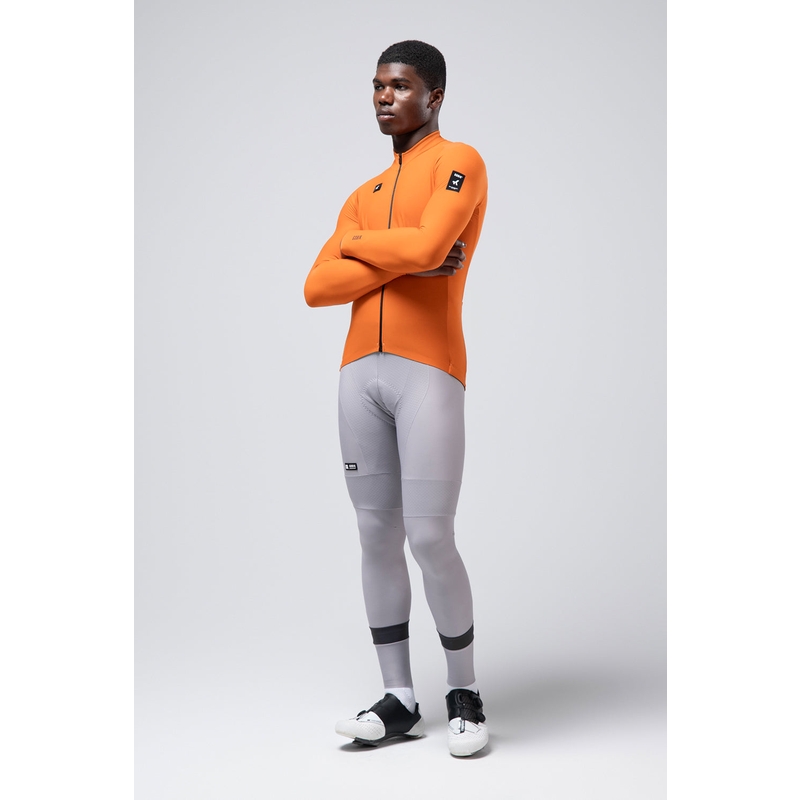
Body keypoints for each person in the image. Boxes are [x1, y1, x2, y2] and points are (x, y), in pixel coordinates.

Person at [304, 40, 489, 757]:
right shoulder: (362, 195)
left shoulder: (459, 162)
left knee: (430, 536)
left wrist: (359, 249)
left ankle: (464, 692)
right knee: (375, 534)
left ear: (434, 95)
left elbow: (428, 248)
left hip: (428, 371)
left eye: (401, 85)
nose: (385, 97)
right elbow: (316, 287)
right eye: (378, 85)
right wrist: (402, 255)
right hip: (358, 375)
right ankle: (399, 698)